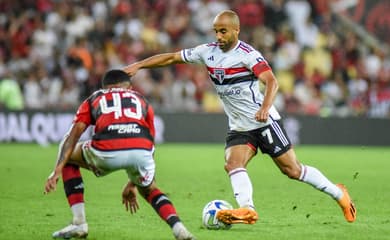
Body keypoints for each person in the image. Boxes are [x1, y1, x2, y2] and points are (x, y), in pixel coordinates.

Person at [123, 10, 356, 224]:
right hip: (239, 126)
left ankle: (339, 194)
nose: (219, 36)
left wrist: (265, 107)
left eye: (223, 31)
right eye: (216, 31)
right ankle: (247, 208)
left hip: (263, 121)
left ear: (236, 30)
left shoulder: (248, 54)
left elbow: (272, 81)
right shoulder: (207, 52)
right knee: (233, 163)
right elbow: (172, 58)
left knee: (293, 171)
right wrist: (139, 65)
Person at [44, 69, 196, 240]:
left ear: (105, 87)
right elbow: (150, 141)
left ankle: (79, 223)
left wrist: (58, 168)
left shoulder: (95, 97)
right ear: (129, 87)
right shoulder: (141, 100)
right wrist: (134, 182)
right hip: (141, 150)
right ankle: (178, 228)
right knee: (150, 189)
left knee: (69, 157)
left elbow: (74, 133)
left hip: (106, 151)